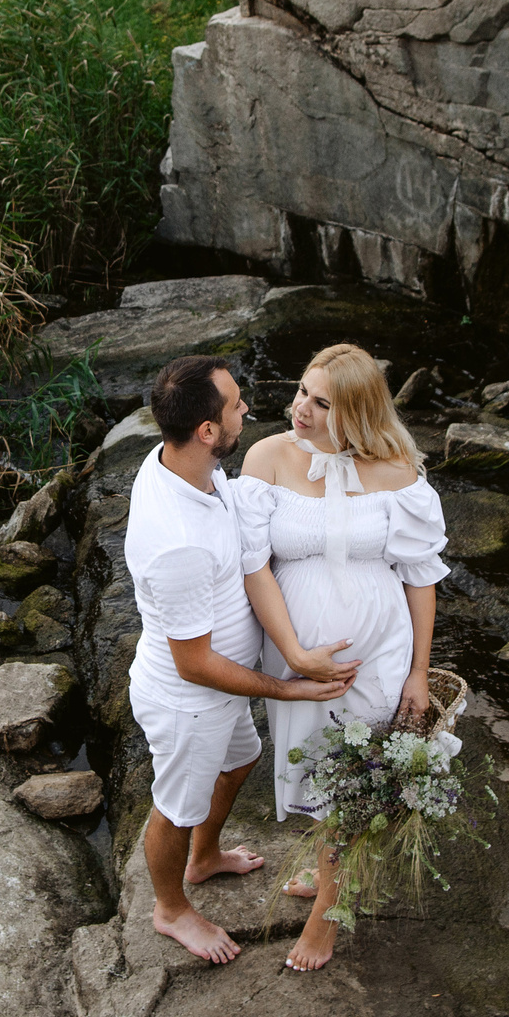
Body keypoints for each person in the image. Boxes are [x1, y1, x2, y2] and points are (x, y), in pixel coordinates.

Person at [125, 354, 361, 965]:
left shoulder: (182, 463)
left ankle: (204, 859)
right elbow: (194, 664)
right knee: (176, 807)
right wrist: (287, 687)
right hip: (191, 701)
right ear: (207, 431)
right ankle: (170, 908)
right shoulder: (176, 541)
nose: (247, 409)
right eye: (235, 406)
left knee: (241, 760)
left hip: (221, 695)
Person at [237, 342, 450, 972]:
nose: (301, 408)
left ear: (355, 412)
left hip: (378, 652)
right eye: (303, 391)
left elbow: (421, 576)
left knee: (356, 773)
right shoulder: (267, 457)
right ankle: (327, 863)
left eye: (322, 403)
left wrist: (418, 673)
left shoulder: (397, 471)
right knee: (313, 763)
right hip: (295, 652)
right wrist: (295, 654)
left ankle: (328, 916)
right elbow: (253, 565)